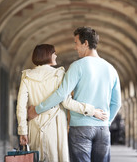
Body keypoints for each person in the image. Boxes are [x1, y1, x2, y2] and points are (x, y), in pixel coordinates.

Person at [28, 27, 122, 162]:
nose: (75, 47)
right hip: (103, 129)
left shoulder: (77, 66)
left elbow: (61, 94)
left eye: (76, 43)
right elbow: (116, 103)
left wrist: (37, 110)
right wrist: (106, 122)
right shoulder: (111, 69)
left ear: (86, 43)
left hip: (80, 129)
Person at [17, 43, 107, 162]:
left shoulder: (27, 76)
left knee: (35, 158)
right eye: (54, 53)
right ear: (47, 55)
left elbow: (21, 107)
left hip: (34, 128)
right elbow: (67, 102)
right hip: (55, 128)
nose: (56, 56)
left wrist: (23, 132)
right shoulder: (59, 74)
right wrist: (92, 111)